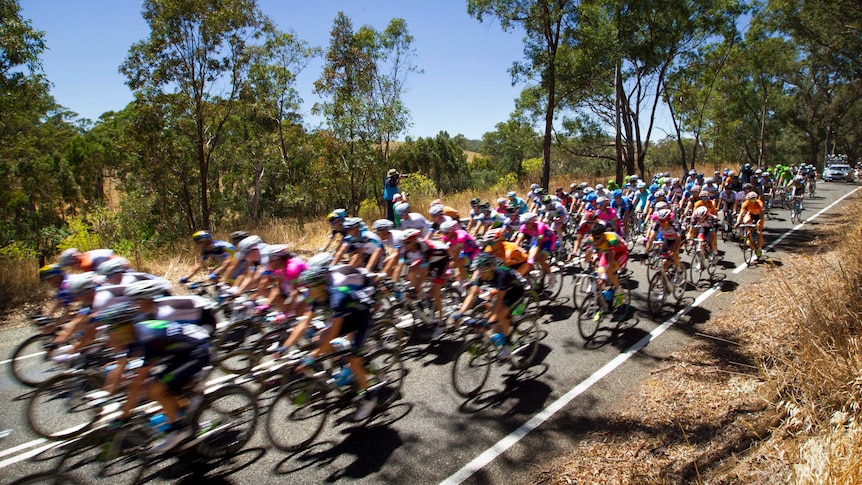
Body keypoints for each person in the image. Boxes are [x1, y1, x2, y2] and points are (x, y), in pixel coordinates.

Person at [98, 301, 212, 454]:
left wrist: (125, 415)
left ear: (124, 327)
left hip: (197, 351)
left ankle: (179, 430)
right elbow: (121, 366)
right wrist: (107, 394)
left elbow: (137, 383)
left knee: (155, 389)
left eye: (112, 330)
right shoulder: (132, 334)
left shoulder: (147, 339)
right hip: (181, 351)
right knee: (157, 385)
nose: (110, 335)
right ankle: (187, 406)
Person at [449, 253, 526, 360]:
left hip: (516, 291)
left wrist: (488, 320)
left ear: (490, 269)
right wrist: (459, 313)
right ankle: (498, 335)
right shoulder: (481, 275)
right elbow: (472, 295)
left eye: (482, 271)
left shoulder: (501, 275)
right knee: (488, 313)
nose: (479, 274)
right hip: (502, 291)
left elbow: (499, 301)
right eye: (478, 270)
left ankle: (508, 345)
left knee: (499, 314)